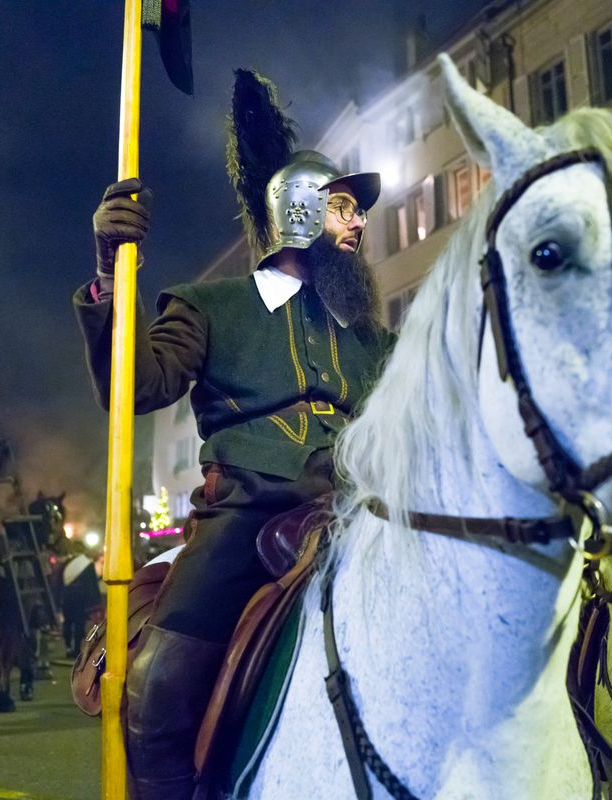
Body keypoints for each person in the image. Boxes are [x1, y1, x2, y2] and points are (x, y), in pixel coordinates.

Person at [73, 69, 393, 799]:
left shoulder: (372, 339)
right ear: (302, 215)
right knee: (155, 684)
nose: (361, 224)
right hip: (247, 521)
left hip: (357, 519)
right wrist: (106, 278)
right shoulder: (210, 305)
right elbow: (138, 388)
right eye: (344, 208)